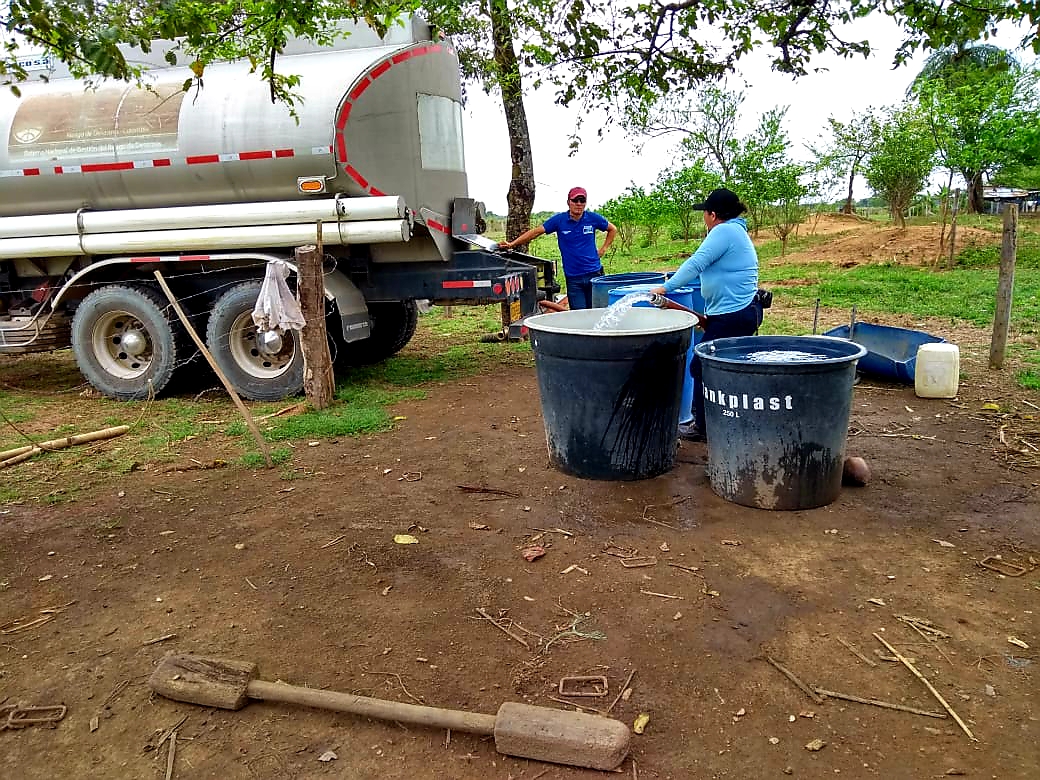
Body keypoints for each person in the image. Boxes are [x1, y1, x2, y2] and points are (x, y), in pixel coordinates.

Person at [651, 187, 762, 442]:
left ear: (713, 214)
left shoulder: (724, 231)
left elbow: (696, 263)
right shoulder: (736, 230)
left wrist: (665, 287)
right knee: (726, 367)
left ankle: (702, 426)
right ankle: (729, 418)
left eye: (705, 213)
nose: (704, 218)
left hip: (735, 312)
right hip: (738, 311)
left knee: (701, 366)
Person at [498, 187, 618, 310]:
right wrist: (512, 244)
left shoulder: (592, 218)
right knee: (579, 314)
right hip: (573, 278)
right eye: (575, 200)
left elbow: (612, 229)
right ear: (568, 202)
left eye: (582, 200)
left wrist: (603, 249)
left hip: (594, 274)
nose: (578, 204)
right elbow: (536, 232)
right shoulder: (559, 220)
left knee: (597, 312)